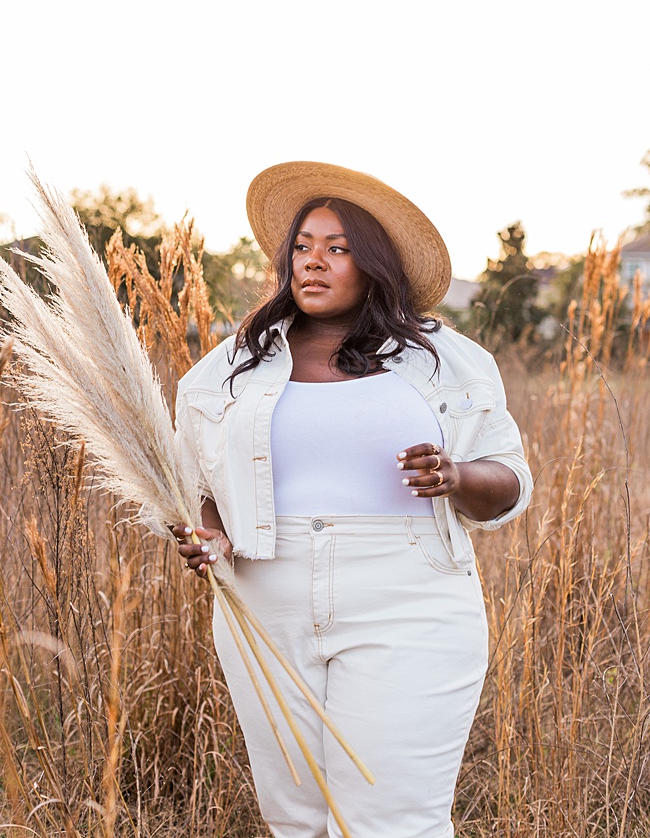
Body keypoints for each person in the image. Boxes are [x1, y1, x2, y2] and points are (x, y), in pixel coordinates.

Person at [171, 161, 533, 838]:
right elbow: (199, 484)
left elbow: (511, 481)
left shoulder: (442, 360)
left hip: (408, 598)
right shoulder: (227, 369)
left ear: (374, 263)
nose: (314, 262)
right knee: (298, 820)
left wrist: (456, 474)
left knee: (391, 822)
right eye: (304, 247)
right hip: (263, 597)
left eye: (338, 249)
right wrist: (210, 536)